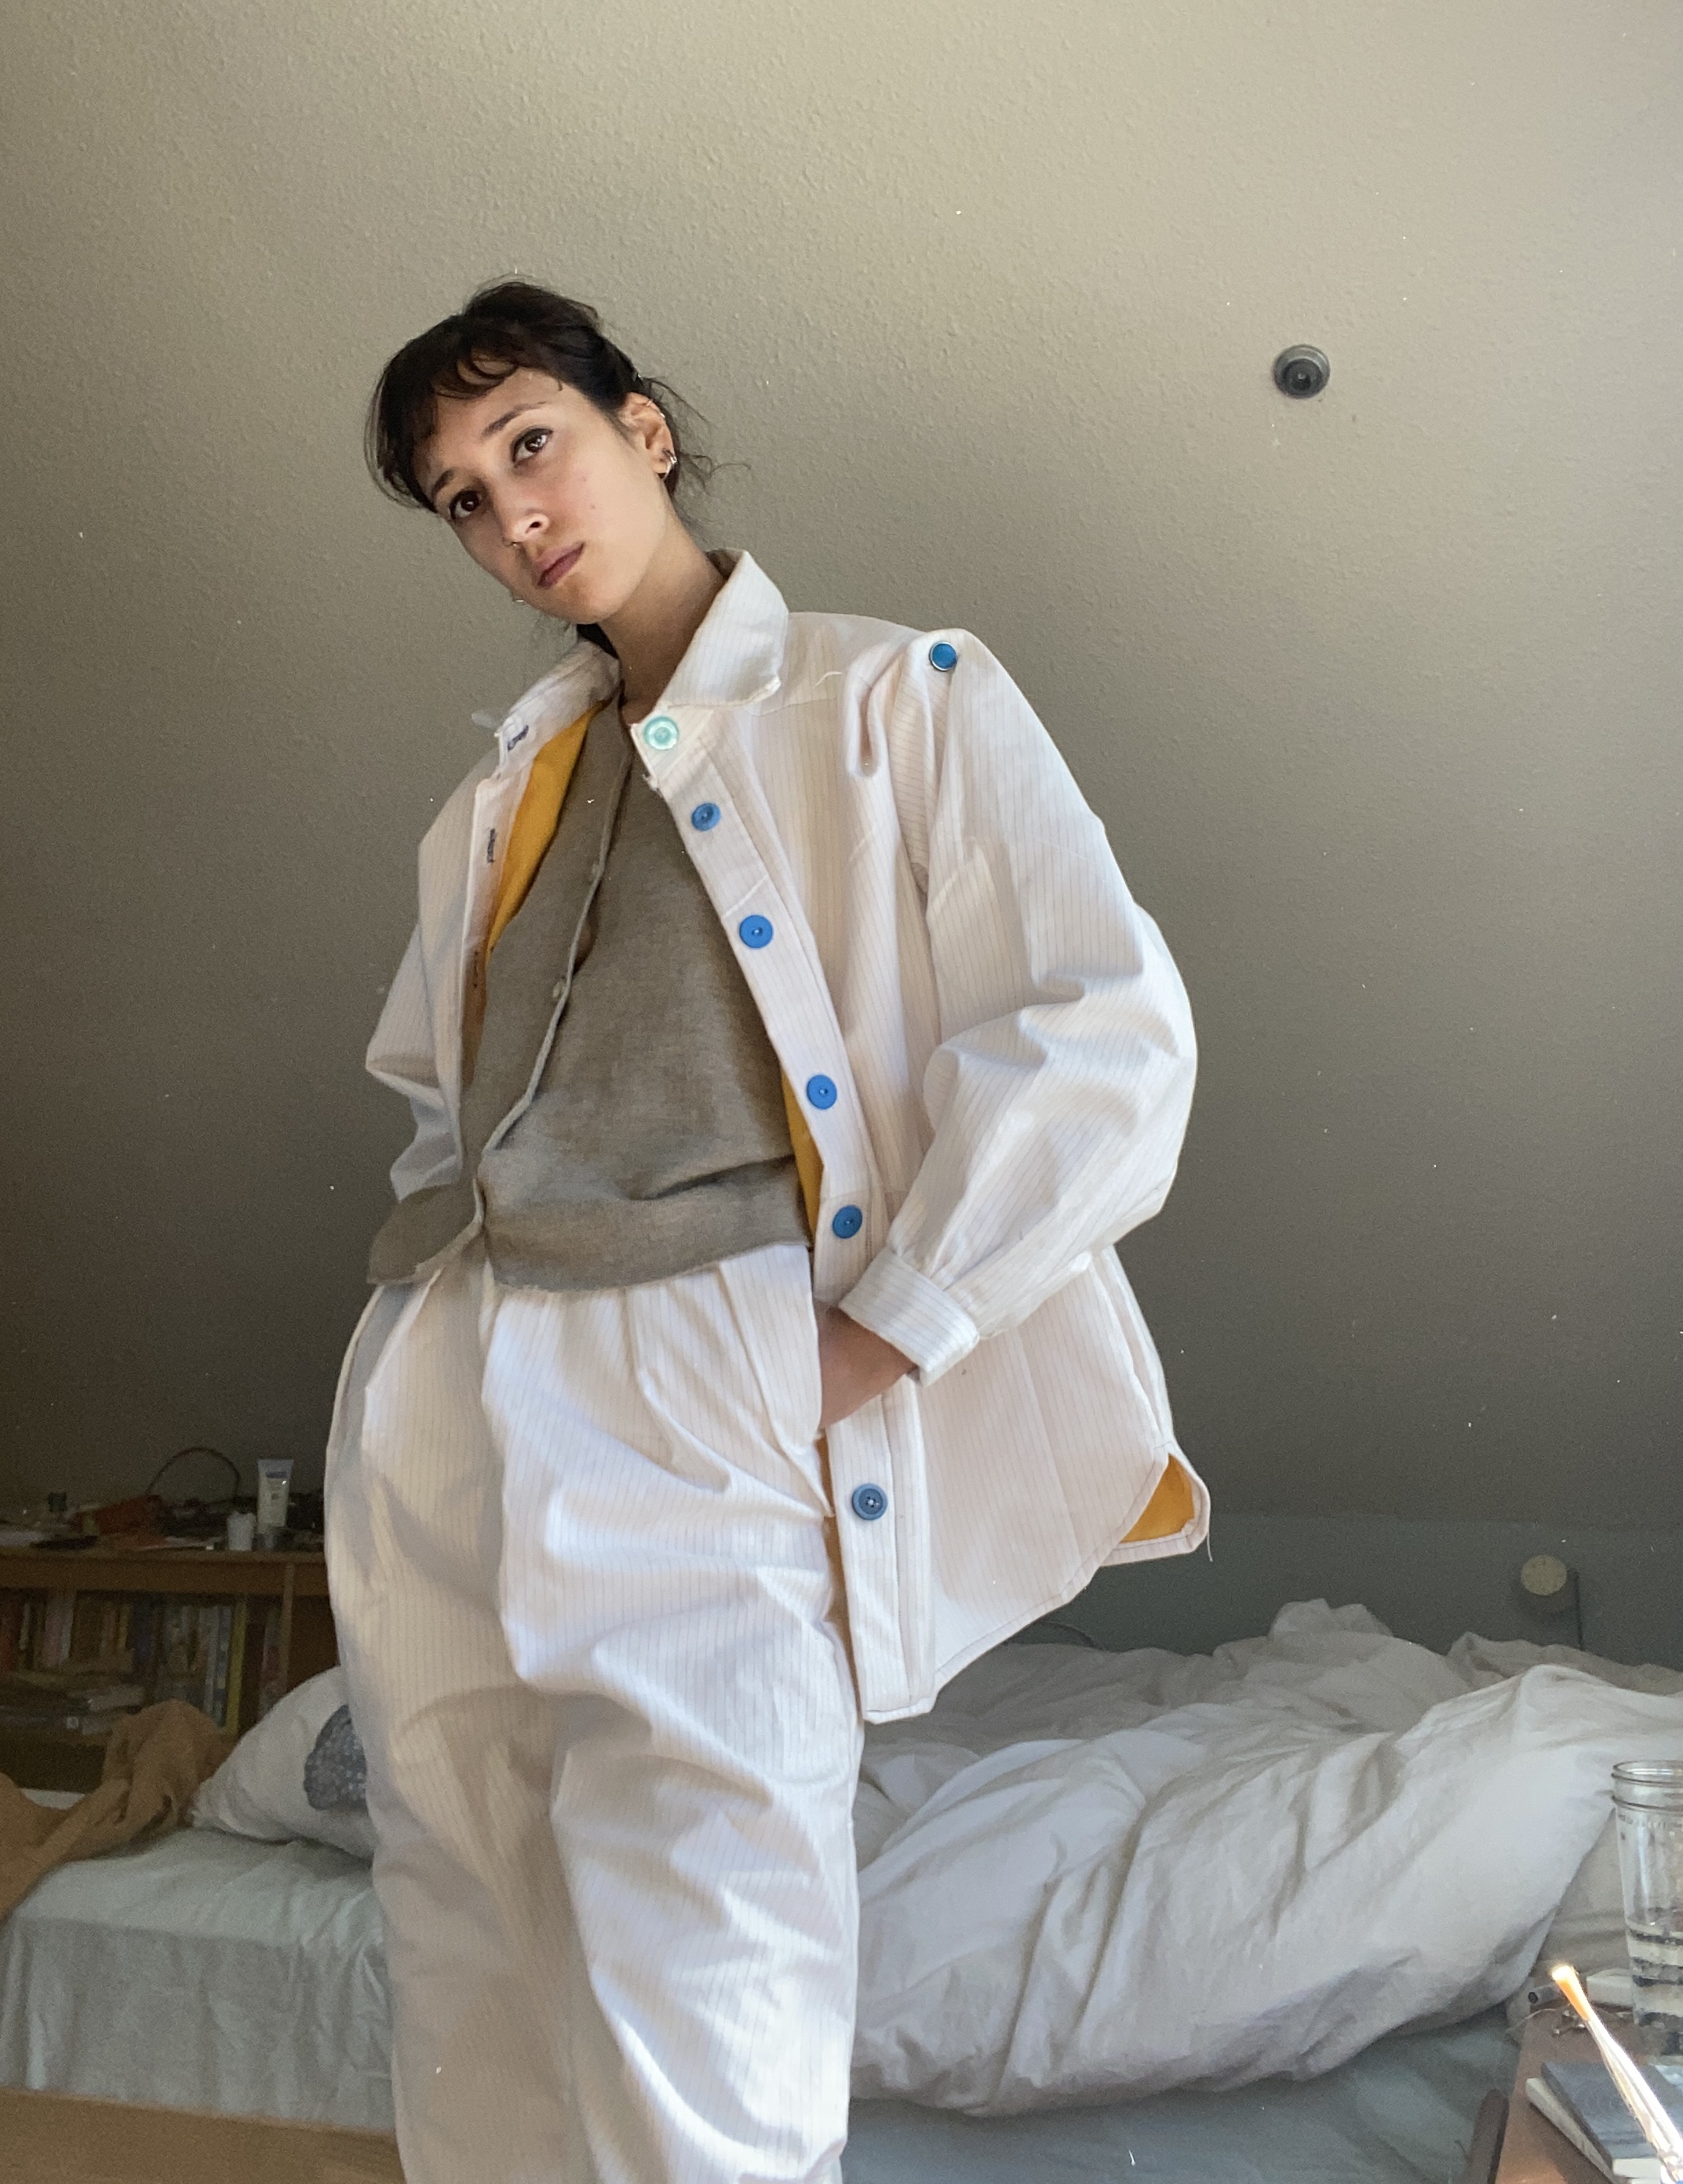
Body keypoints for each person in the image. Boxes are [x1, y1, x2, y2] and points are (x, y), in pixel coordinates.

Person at [323, 280, 1208, 2184]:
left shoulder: (894, 697)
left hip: (708, 1354)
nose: (512, 514)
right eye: (463, 496)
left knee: (707, 1960)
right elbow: (437, 1097)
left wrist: (884, 1331)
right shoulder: (495, 797)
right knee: (472, 1942)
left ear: (643, 428)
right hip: (460, 1376)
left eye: (532, 443)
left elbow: (1107, 1035)